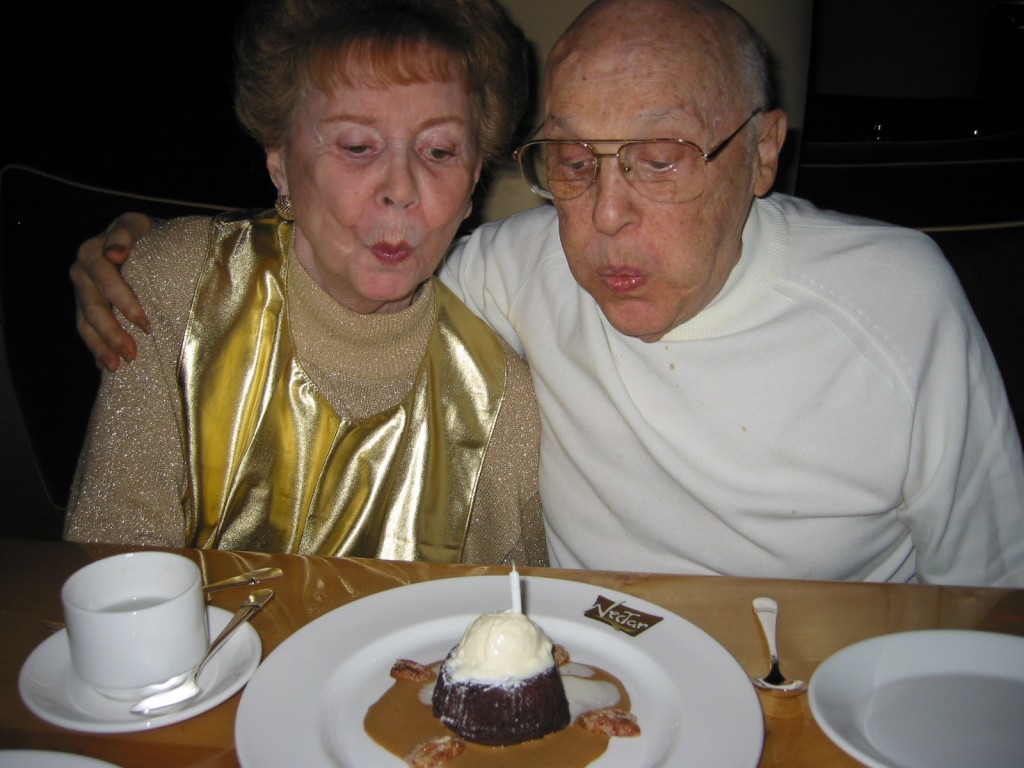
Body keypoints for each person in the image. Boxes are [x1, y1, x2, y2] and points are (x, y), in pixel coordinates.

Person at [70, 0, 1024, 587]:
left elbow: (993, 597)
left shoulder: (897, 306)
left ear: (763, 150)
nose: (605, 215)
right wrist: (164, 252)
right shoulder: (521, 269)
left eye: (659, 159)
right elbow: (338, 261)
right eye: (572, 160)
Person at [62, 0, 549, 567]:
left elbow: (494, 624)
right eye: (357, 147)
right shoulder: (180, 284)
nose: (400, 187)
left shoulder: (500, 402)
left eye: (438, 151)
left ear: (472, 182)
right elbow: (114, 571)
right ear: (280, 162)